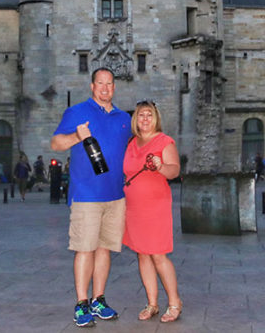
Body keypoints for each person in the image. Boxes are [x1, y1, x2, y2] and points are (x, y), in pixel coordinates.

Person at [50, 68, 132, 327]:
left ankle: (99, 300)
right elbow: (56, 144)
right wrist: (77, 136)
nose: (105, 88)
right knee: (84, 248)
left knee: (104, 249)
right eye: (100, 83)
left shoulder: (123, 118)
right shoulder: (76, 112)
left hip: (115, 195)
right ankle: (81, 303)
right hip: (86, 194)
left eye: (109, 84)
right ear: (92, 86)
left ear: (114, 88)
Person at [123, 101, 183, 323]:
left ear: (156, 118)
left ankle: (175, 302)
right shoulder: (131, 143)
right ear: (135, 119)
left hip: (155, 206)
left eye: (149, 115)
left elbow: (174, 171)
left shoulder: (164, 141)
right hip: (134, 207)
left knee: (158, 254)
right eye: (141, 115)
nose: (145, 119)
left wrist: (160, 166)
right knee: (142, 253)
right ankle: (152, 303)